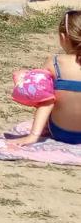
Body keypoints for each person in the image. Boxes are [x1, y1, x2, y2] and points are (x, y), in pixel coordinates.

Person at [13, 11, 81, 147]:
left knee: (44, 92)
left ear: (63, 37)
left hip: (62, 132)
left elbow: (45, 101)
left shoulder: (55, 62)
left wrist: (33, 136)